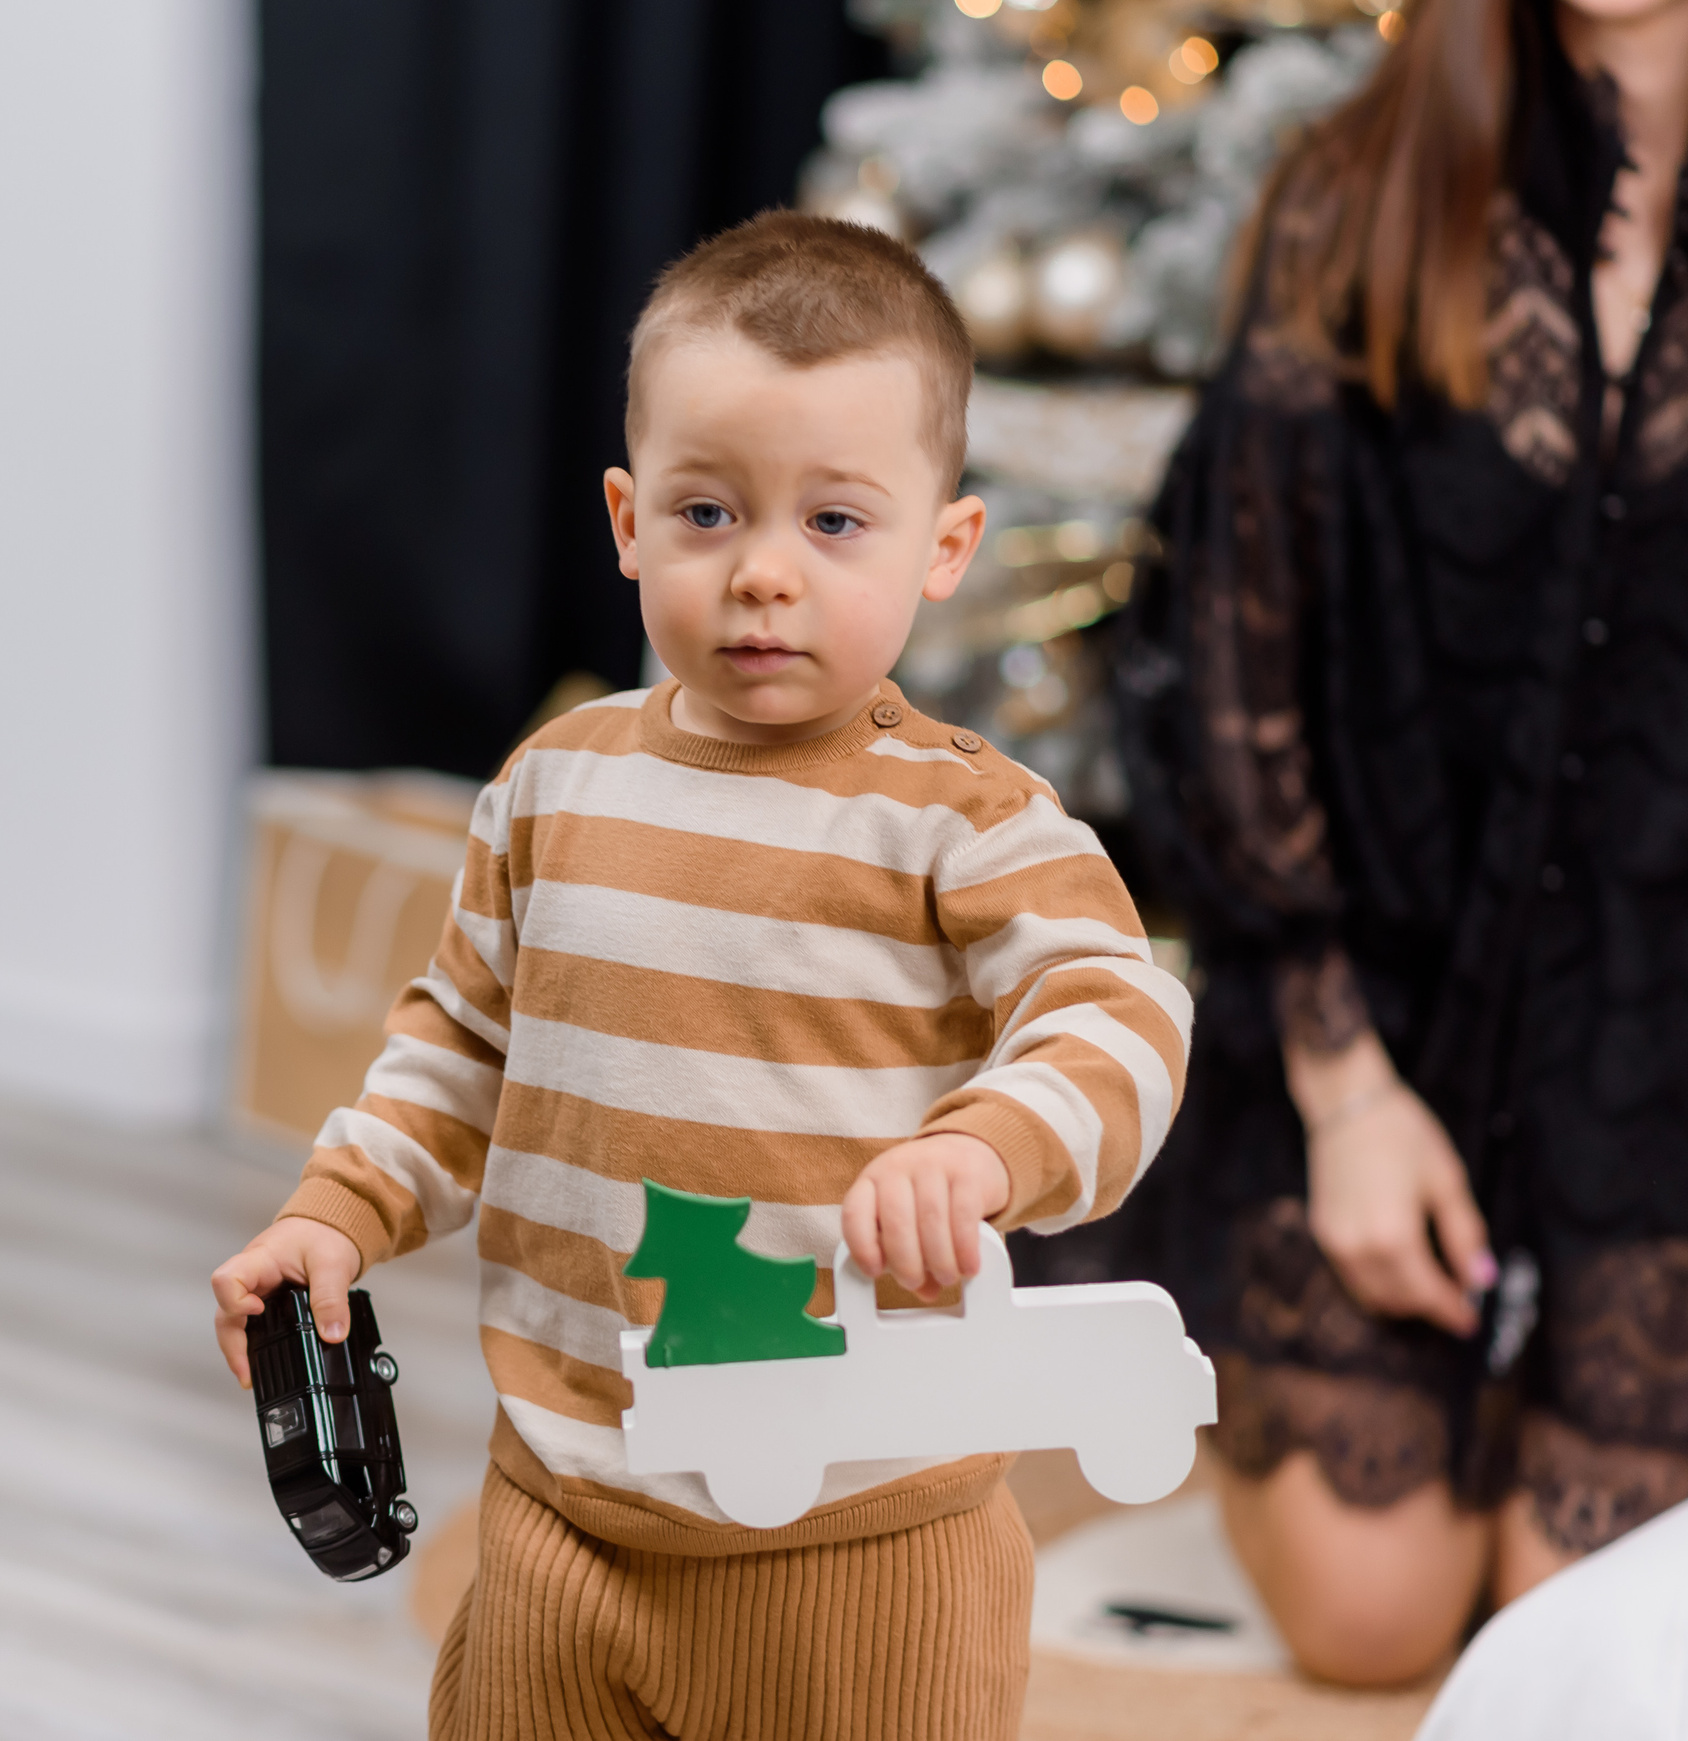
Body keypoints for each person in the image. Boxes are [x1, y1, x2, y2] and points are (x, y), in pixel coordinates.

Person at [213, 212, 1193, 1741]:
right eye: (709, 512)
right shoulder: (555, 782)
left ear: (948, 545)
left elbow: (1123, 1018)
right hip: (565, 1501)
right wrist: (337, 1207)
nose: (763, 578)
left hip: (866, 1535)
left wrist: (980, 1147)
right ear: (627, 517)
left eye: (837, 523)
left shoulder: (967, 818)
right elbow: (461, 1039)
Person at [1118, 0, 1688, 1688]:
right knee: (1371, 1622)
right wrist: (1345, 1088)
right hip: (1375, 1018)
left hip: (1655, 1057)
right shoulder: (1353, 191)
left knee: (1572, 1635)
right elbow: (1228, 650)